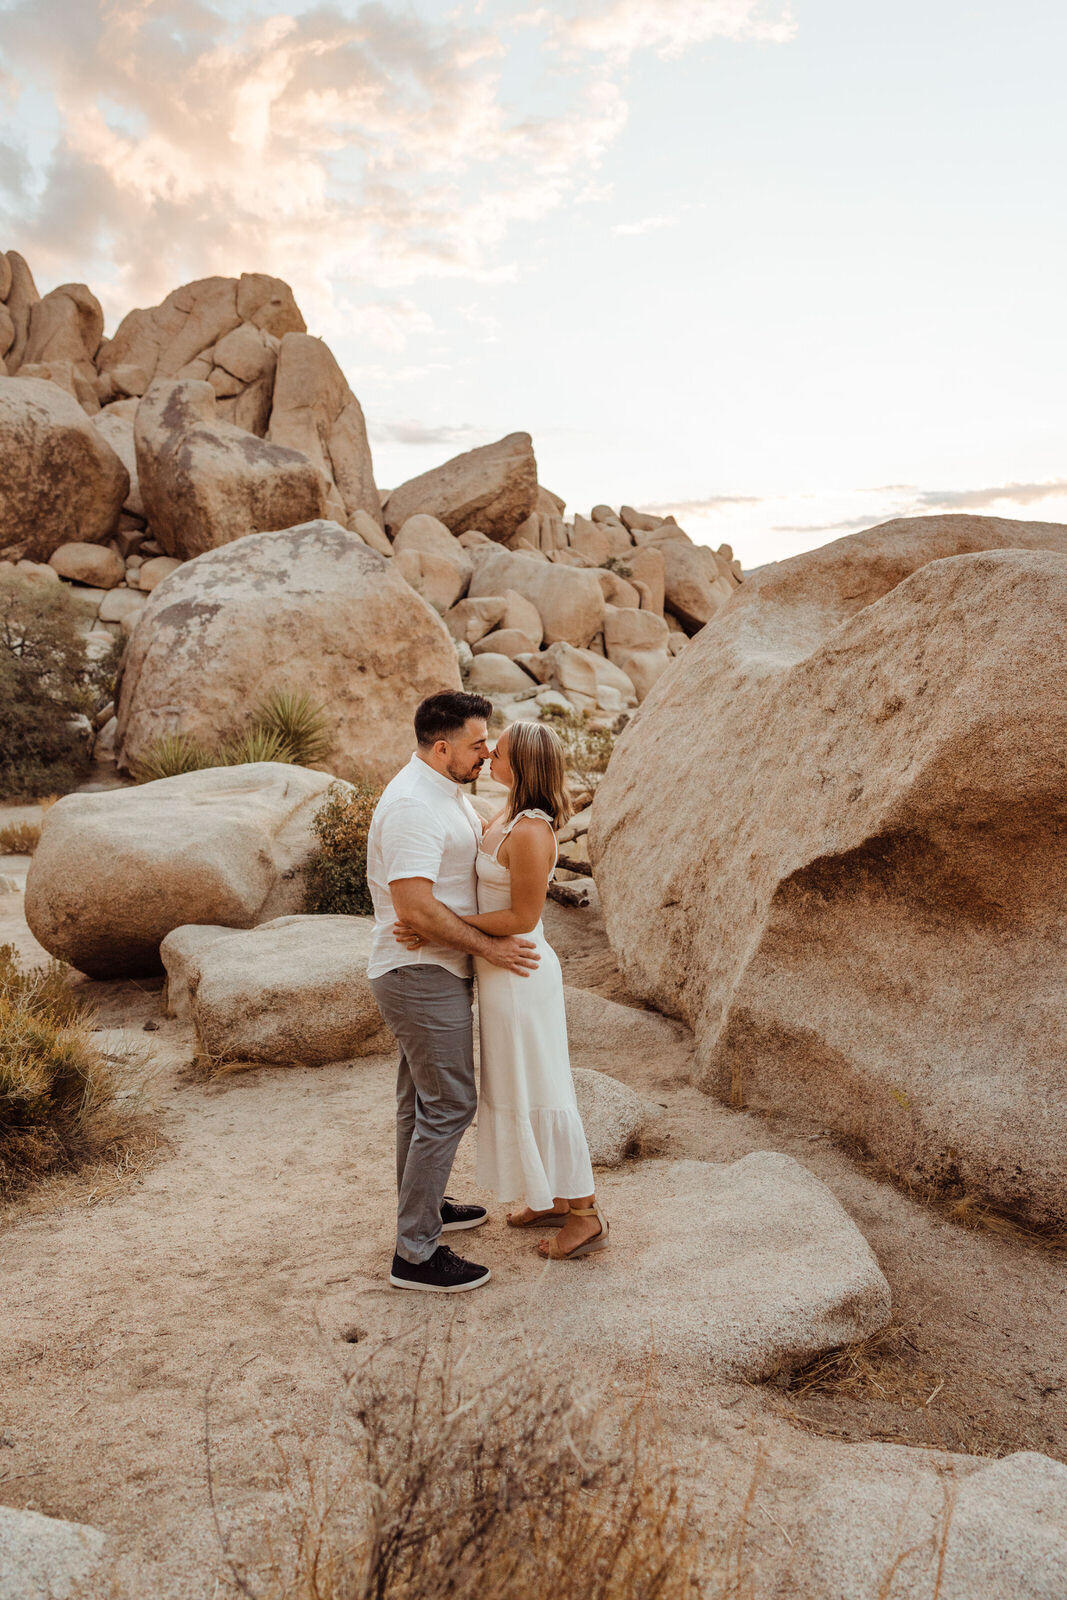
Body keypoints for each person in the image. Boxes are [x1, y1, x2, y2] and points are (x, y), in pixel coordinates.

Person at [397, 720, 609, 1262]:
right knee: (518, 1087)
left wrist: (438, 921)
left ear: (525, 765)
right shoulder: (504, 814)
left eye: (503, 751)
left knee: (544, 1086)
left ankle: (584, 1215)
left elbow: (522, 915)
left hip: (521, 974)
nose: (490, 754)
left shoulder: (533, 830)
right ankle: (550, 1195)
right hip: (498, 975)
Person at [366, 691, 541, 1294]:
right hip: (420, 973)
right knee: (450, 1105)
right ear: (442, 748)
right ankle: (414, 1254)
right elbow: (413, 903)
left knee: (420, 1104)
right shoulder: (415, 804)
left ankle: (427, 1208)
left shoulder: (446, 793)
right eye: (475, 743)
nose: (486, 751)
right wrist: (488, 947)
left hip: (432, 966)